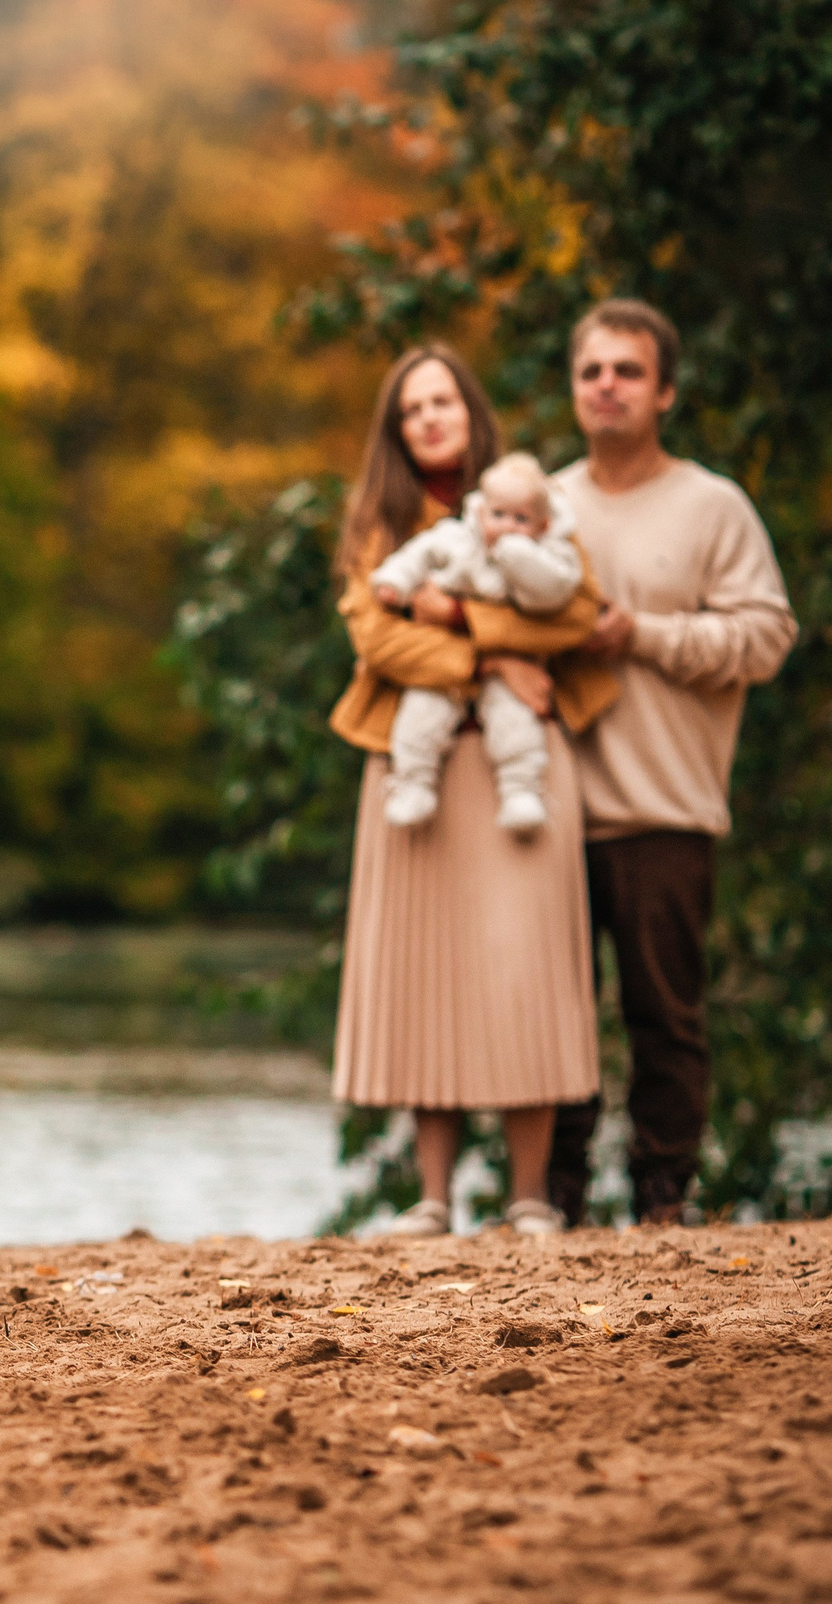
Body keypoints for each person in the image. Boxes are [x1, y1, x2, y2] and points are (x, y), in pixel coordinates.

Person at [326, 346, 618, 1239]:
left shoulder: (532, 496)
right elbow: (377, 641)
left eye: (441, 400)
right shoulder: (378, 521)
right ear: (396, 428)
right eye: (411, 408)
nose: (428, 418)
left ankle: (530, 1194)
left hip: (519, 768)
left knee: (524, 965)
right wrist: (493, 654)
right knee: (424, 970)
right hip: (415, 766)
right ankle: (434, 1197)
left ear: (469, 408)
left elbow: (574, 612)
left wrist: (459, 616)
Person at [546, 300, 797, 1225]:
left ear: (667, 392)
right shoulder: (544, 504)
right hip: (550, 814)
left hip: (666, 807)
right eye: (591, 371)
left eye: (627, 371)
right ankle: (553, 1200)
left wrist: (640, 634)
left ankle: (662, 1199)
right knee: (550, 1022)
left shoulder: (712, 505)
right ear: (574, 390)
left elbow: (767, 637)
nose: (606, 385)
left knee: (665, 1018)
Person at [369, 451, 586, 831]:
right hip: (446, 665)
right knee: (422, 712)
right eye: (498, 515)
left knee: (515, 722)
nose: (506, 527)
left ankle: (521, 790)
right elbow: (417, 556)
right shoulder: (456, 538)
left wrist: (520, 559)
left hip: (511, 673)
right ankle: (414, 783)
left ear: (543, 523)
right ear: (481, 510)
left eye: (521, 519)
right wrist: (396, 581)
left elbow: (560, 601)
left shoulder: (552, 555)